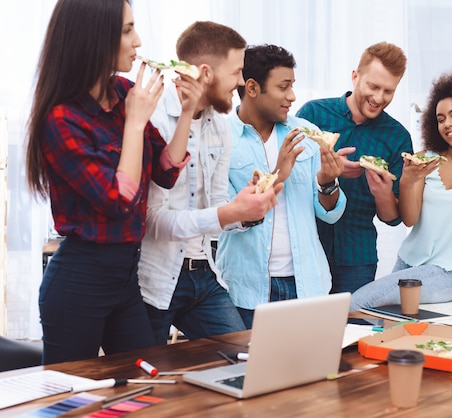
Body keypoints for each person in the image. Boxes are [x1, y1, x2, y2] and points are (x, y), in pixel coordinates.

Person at [25, 0, 201, 364]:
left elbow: (166, 171)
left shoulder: (123, 92)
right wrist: (135, 124)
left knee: (146, 384)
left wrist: (187, 112)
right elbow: (120, 201)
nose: (138, 41)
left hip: (124, 278)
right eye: (126, 30)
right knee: (70, 397)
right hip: (79, 283)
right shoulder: (60, 120)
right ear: (94, 38)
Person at [138, 22, 281, 345]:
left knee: (247, 357)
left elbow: (217, 206)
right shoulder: (155, 121)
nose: (242, 82)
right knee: (148, 377)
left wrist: (247, 210)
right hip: (154, 280)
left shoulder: (219, 127)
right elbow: (153, 222)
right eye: (236, 72)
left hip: (205, 274)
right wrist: (228, 212)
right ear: (205, 73)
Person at [349, 69, 452, 311]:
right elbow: (410, 220)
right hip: (407, 261)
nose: (447, 124)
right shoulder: (424, 159)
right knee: (375, 317)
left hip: (448, 273)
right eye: (441, 119)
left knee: (361, 302)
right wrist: (406, 181)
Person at [217, 44, 347, 328]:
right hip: (246, 290)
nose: (292, 96)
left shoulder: (306, 134)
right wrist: (277, 175)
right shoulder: (222, 139)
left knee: (312, 371)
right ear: (252, 88)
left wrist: (327, 181)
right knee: (250, 371)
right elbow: (223, 219)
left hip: (308, 287)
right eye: (283, 86)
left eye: (292, 86)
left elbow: (330, 212)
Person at [296, 42, 414, 294]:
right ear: (355, 76)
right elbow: (288, 179)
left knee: (355, 330)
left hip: (358, 257)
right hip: (306, 250)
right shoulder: (313, 114)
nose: (379, 98)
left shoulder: (397, 137)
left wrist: (383, 193)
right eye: (373, 86)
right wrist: (325, 171)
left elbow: (392, 219)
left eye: (388, 91)